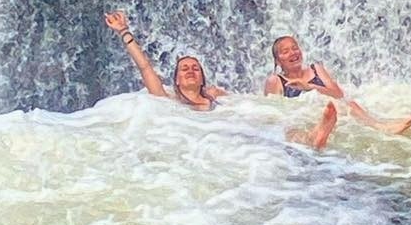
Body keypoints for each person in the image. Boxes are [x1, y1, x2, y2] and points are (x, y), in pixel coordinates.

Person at [103, 11, 337, 149]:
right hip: (193, 138)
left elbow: (252, 104)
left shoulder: (214, 95)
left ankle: (312, 138)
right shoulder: (168, 98)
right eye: (184, 69)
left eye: (195, 68)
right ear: (176, 80)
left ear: (202, 79)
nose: (190, 71)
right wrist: (124, 31)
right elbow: (145, 67)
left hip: (223, 128)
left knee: (276, 126)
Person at [264, 34, 411, 135]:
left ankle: (381, 126)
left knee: (347, 102)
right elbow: (272, 113)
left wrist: (309, 86)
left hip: (331, 116)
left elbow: (338, 93)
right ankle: (314, 136)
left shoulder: (316, 69)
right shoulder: (275, 81)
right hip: (303, 119)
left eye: (295, 48)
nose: (293, 53)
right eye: (285, 51)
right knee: (292, 126)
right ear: (278, 61)